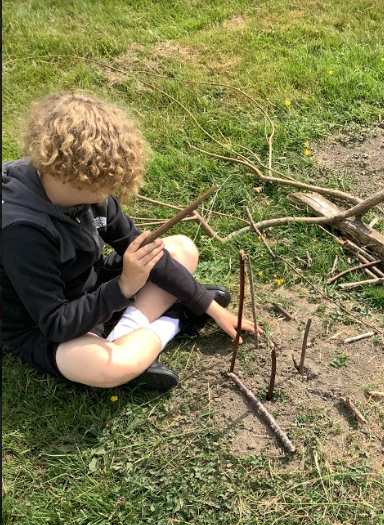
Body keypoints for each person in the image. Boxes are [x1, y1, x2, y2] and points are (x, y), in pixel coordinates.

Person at [2, 90, 259, 392]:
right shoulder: (22, 230)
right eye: (105, 182)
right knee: (107, 365)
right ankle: (171, 321)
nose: (112, 190)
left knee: (181, 249)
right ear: (74, 175)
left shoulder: (89, 193)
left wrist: (209, 307)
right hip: (45, 325)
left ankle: (128, 335)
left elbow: (140, 246)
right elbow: (56, 323)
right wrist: (124, 286)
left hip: (88, 283)